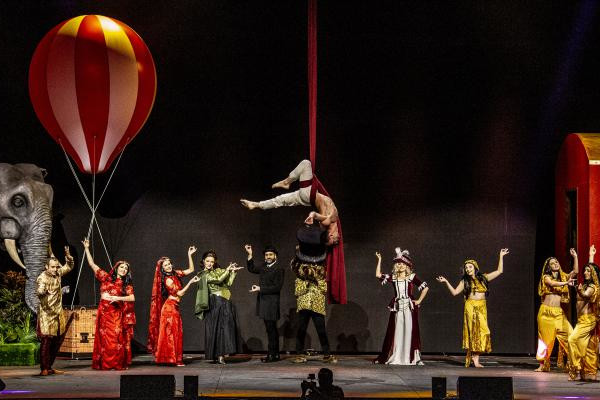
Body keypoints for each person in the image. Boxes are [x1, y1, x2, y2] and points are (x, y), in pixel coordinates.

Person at [436, 248, 509, 368]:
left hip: (481, 307)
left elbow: (499, 271)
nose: (468, 269)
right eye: (466, 267)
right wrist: (446, 282)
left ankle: (475, 359)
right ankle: (475, 361)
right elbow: (454, 292)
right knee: (473, 333)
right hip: (470, 306)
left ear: (475, 267)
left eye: (470, 267)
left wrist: (501, 256)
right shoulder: (464, 281)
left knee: (484, 331)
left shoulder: (484, 278)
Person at [240, 159, 339, 246]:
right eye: (334, 241)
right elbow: (320, 217)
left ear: (330, 235)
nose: (337, 239)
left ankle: (286, 182)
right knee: (280, 200)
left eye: (333, 240)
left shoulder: (330, 220)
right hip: (308, 199)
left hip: (309, 195)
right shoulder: (329, 223)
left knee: (306, 163)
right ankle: (255, 205)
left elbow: (317, 215)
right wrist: (313, 216)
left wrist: (312, 215)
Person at [82, 239, 135, 370]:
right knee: (104, 339)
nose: (123, 270)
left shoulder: (126, 284)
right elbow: (92, 264)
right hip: (103, 313)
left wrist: (116, 297)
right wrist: (87, 248)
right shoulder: (106, 277)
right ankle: (105, 363)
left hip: (115, 313)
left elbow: (132, 298)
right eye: (121, 267)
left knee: (114, 339)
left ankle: (115, 363)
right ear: (116, 268)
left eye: (126, 269)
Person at [374, 247, 429, 365]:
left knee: (409, 330)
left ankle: (409, 356)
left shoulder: (411, 277)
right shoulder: (393, 278)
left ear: (407, 266)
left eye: (403, 264)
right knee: (397, 330)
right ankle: (397, 355)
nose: (400, 266)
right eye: (398, 264)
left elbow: (425, 288)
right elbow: (378, 275)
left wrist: (419, 300)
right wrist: (379, 259)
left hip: (409, 307)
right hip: (398, 307)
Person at [292, 223, 336, 363]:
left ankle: (327, 354)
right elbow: (298, 286)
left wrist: (316, 280)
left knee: (321, 330)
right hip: (304, 302)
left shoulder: (321, 273)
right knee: (301, 329)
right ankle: (299, 353)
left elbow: (324, 288)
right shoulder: (299, 271)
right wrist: (307, 280)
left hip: (316, 303)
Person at [147, 246, 199, 366]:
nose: (169, 266)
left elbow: (191, 269)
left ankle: (173, 359)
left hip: (174, 307)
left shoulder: (175, 274)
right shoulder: (167, 280)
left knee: (175, 333)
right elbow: (179, 293)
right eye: (166, 265)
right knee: (171, 334)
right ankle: (173, 359)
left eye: (169, 264)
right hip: (169, 308)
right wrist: (191, 282)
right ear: (162, 269)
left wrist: (189, 255)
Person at [535, 248, 580, 372]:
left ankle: (573, 363)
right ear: (549, 267)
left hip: (559, 314)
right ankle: (542, 364)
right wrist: (566, 283)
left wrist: (575, 256)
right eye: (553, 263)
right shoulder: (546, 277)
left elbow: (575, 271)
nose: (556, 264)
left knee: (571, 336)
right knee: (545, 341)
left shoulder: (563, 276)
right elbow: (553, 284)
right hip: (546, 313)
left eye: (556, 262)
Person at [195, 250, 243, 364]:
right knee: (215, 328)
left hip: (225, 301)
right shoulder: (203, 274)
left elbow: (228, 283)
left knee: (224, 329)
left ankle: (221, 355)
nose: (210, 263)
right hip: (215, 302)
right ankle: (216, 355)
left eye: (212, 261)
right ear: (203, 261)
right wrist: (227, 270)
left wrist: (233, 272)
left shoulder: (218, 271)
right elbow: (218, 279)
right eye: (207, 261)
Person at [36, 246, 74, 376]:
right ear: (46, 267)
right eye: (53, 267)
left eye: (57, 267)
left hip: (57, 313)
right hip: (47, 314)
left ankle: (50, 366)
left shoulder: (57, 274)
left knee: (57, 341)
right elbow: (40, 290)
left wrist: (68, 256)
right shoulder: (42, 278)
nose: (56, 269)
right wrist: (42, 292)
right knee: (46, 341)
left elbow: (69, 266)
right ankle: (44, 368)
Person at [245, 244, 285, 362]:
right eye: (266, 255)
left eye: (270, 254)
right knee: (270, 329)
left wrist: (260, 288)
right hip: (264, 302)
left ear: (275, 256)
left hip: (271, 303)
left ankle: (272, 355)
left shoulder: (279, 268)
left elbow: (277, 287)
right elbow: (251, 268)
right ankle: (275, 354)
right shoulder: (263, 267)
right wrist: (250, 254)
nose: (268, 256)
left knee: (271, 329)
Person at [567, 258, 599, 381]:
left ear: (593, 274)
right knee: (581, 346)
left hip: (588, 320)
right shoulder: (585, 284)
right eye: (584, 270)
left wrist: (580, 291)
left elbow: (586, 295)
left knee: (571, 339)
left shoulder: (592, 286)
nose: (585, 272)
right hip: (581, 320)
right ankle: (583, 372)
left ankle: (576, 366)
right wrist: (591, 256)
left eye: (588, 271)